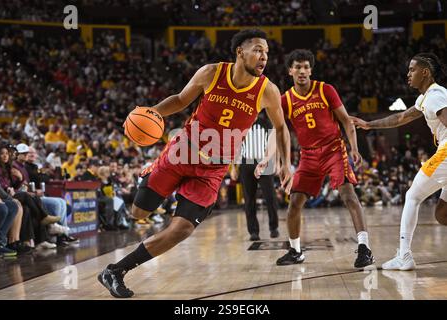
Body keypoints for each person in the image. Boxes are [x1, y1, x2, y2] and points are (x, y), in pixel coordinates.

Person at [98, 28, 292, 298]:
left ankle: (115, 271)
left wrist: (285, 162)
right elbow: (179, 100)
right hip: (182, 153)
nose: (264, 57)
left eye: (267, 53)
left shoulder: (267, 91)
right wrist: (149, 112)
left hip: (213, 169)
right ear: (240, 51)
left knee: (182, 229)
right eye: (258, 50)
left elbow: (281, 128)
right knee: (138, 214)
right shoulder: (211, 73)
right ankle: (149, 175)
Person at [259, 49, 374, 268]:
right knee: (294, 204)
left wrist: (354, 148)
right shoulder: (285, 100)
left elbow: (346, 121)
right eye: (297, 67)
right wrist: (267, 157)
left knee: (348, 195)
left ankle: (364, 248)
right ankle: (295, 251)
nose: (302, 71)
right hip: (308, 155)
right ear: (290, 71)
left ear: (311, 70)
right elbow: (278, 130)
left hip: (333, 150)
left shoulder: (325, 90)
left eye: (305, 67)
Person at [351, 52, 447, 271]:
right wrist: (369, 125)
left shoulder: (436, 95)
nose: (408, 74)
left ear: (425, 72)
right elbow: (401, 118)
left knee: (412, 195)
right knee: (442, 214)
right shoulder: (426, 98)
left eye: (412, 70)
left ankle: (404, 255)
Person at [230, 111, 279, 241]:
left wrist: (276, 163)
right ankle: (253, 231)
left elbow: (274, 144)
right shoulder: (240, 125)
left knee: (270, 197)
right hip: (246, 163)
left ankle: (273, 227)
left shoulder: (266, 123)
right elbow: (235, 147)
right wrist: (233, 167)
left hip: (264, 162)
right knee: (249, 199)